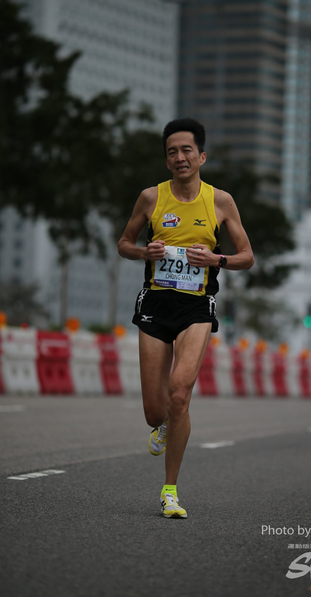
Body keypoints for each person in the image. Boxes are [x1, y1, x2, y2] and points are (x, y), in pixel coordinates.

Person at [118, 118, 254, 519]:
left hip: (197, 305)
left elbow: (247, 256)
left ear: (201, 156)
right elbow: (124, 243)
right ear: (167, 161)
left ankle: (170, 491)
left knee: (180, 394)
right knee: (154, 411)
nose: (180, 157)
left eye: (187, 150)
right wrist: (144, 252)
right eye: (172, 152)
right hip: (155, 303)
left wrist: (216, 259)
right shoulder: (150, 197)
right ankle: (161, 424)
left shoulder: (220, 201)